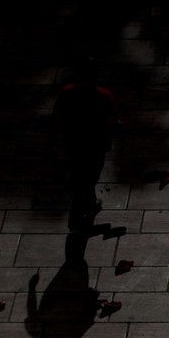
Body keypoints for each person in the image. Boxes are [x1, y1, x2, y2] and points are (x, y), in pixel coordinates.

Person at [52, 62, 118, 229]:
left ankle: (85, 202)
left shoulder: (66, 93)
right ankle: (84, 209)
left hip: (74, 140)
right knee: (91, 174)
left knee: (80, 171)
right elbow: (110, 120)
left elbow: (58, 116)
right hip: (95, 142)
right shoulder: (104, 95)